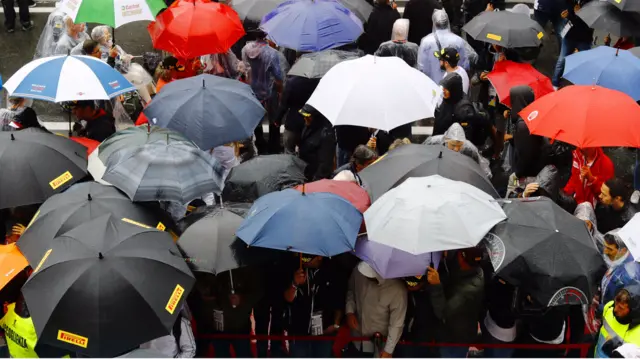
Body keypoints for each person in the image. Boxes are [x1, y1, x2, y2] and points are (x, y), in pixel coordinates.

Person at [285, 254, 346, 357]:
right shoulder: (297, 269)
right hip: (299, 331)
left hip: (324, 331)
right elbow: (287, 299)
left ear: (319, 257)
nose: (304, 261)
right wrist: (295, 284)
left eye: (307, 259)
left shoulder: (332, 270)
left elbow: (339, 300)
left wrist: (336, 325)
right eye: (303, 258)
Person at [345, 261, 407, 357]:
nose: (367, 278)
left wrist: (388, 351)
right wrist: (350, 312)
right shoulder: (358, 271)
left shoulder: (398, 288)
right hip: (357, 338)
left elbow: (396, 324)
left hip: (381, 343)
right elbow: (351, 291)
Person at [432, 248, 485, 358]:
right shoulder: (476, 269)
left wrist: (436, 285)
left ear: (462, 258)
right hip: (461, 329)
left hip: (454, 337)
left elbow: (443, 312)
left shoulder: (469, 290)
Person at [241, 30, 284, 154]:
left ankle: (260, 145)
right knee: (274, 119)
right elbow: (278, 76)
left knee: (256, 119)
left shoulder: (245, 49)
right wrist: (281, 91)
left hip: (252, 89)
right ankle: (273, 147)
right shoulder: (272, 53)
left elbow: (244, 69)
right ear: (266, 36)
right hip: (269, 90)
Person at [210, 268, 262, 358]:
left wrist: (242, 299)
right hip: (218, 325)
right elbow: (203, 287)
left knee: (243, 353)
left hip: (240, 324)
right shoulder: (211, 265)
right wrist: (208, 293)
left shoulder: (247, 266)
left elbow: (258, 291)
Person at [396, 266, 443, 358]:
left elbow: (440, 313)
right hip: (407, 342)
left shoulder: (431, 293)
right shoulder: (403, 293)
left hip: (427, 342)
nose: (411, 286)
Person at [417, 9, 469, 84]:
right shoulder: (458, 40)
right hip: (453, 86)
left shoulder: (426, 41)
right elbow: (465, 65)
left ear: (434, 22)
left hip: (432, 86)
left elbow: (421, 68)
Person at [425, 123, 492, 178]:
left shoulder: (468, 147)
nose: (456, 149)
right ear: (446, 141)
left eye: (459, 145)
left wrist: (487, 174)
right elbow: (421, 150)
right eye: (453, 145)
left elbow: (481, 161)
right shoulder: (435, 141)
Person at [552, 0, 594, 89]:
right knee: (561, 61)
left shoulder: (592, 4)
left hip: (584, 39)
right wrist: (566, 14)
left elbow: (586, 24)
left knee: (584, 64)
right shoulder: (571, 1)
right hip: (569, 37)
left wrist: (576, 14)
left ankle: (583, 86)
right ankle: (555, 84)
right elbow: (566, 10)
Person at [273, 76, 320, 155]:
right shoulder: (316, 82)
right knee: (307, 153)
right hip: (310, 122)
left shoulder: (291, 82)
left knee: (289, 150)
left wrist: (277, 120)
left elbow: (284, 105)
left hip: (293, 122)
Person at [509, 85, 547, 179]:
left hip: (525, 175)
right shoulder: (532, 116)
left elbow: (525, 154)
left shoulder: (523, 125)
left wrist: (517, 175)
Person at [595, 286, 640, 358]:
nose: (615, 309)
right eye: (615, 303)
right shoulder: (609, 307)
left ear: (632, 310)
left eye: (621, 308)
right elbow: (600, 330)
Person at [298, 105, 336, 181]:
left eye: (308, 117)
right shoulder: (308, 126)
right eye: (304, 116)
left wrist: (317, 179)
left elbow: (325, 163)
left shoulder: (326, 134)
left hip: (316, 177)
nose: (305, 119)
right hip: (305, 172)